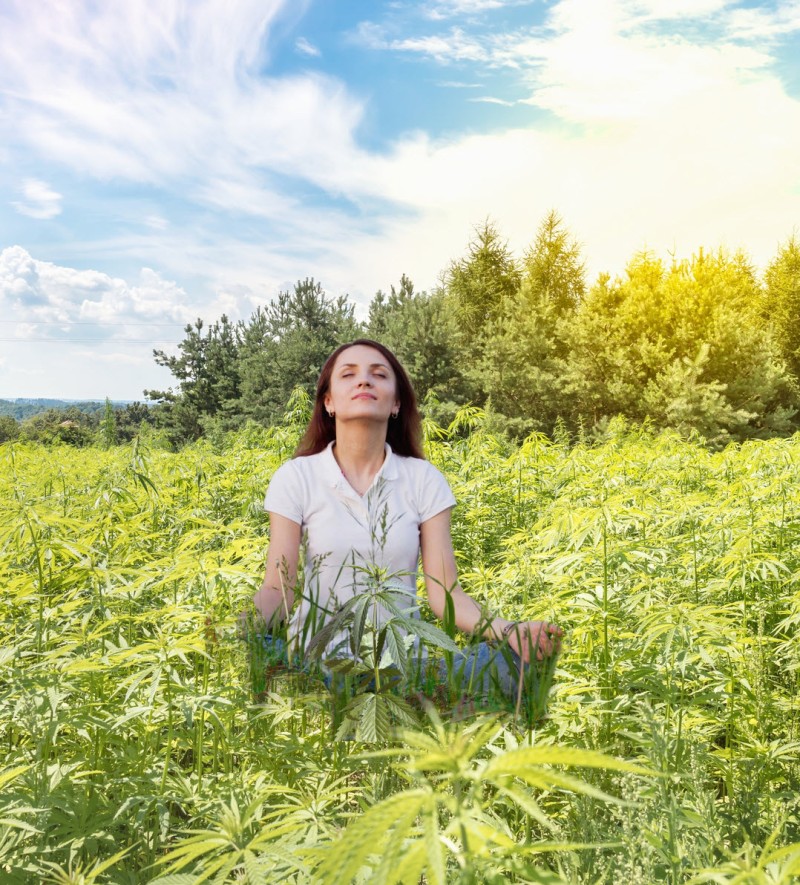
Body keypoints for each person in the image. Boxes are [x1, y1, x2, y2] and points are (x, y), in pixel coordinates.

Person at [249, 338, 561, 701]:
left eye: (378, 375)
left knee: (514, 667)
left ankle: (409, 697)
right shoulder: (297, 476)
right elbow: (278, 589)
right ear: (328, 402)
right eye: (348, 375)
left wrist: (509, 631)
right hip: (319, 659)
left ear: (396, 403)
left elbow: (446, 595)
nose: (364, 381)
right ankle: (407, 702)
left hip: (400, 657)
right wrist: (238, 629)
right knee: (317, 676)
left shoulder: (422, 479)